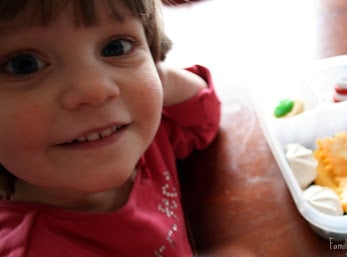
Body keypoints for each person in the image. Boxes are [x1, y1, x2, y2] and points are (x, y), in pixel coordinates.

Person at [0, 0, 221, 256]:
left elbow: (201, 123)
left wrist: (155, 80)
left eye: (116, 47)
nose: (95, 90)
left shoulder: (137, 141)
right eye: (23, 64)